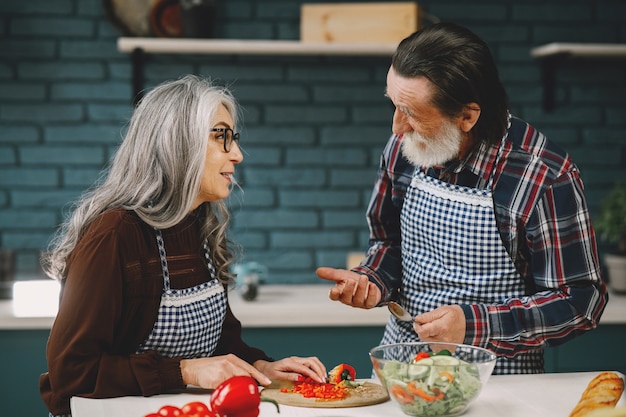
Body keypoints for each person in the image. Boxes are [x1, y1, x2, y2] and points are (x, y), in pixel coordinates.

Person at [316, 22, 608, 374]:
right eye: (394, 105)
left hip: (501, 383)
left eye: (411, 113)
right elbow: (388, 242)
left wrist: (475, 325)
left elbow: (581, 302)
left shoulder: (544, 177)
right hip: (403, 370)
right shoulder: (404, 148)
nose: (396, 127)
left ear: (467, 116)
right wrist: (373, 281)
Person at [39, 75, 327, 416]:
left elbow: (221, 343)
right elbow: (70, 373)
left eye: (233, 138)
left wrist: (261, 367)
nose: (237, 154)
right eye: (222, 137)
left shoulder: (198, 225)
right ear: (179, 143)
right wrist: (185, 371)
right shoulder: (114, 234)